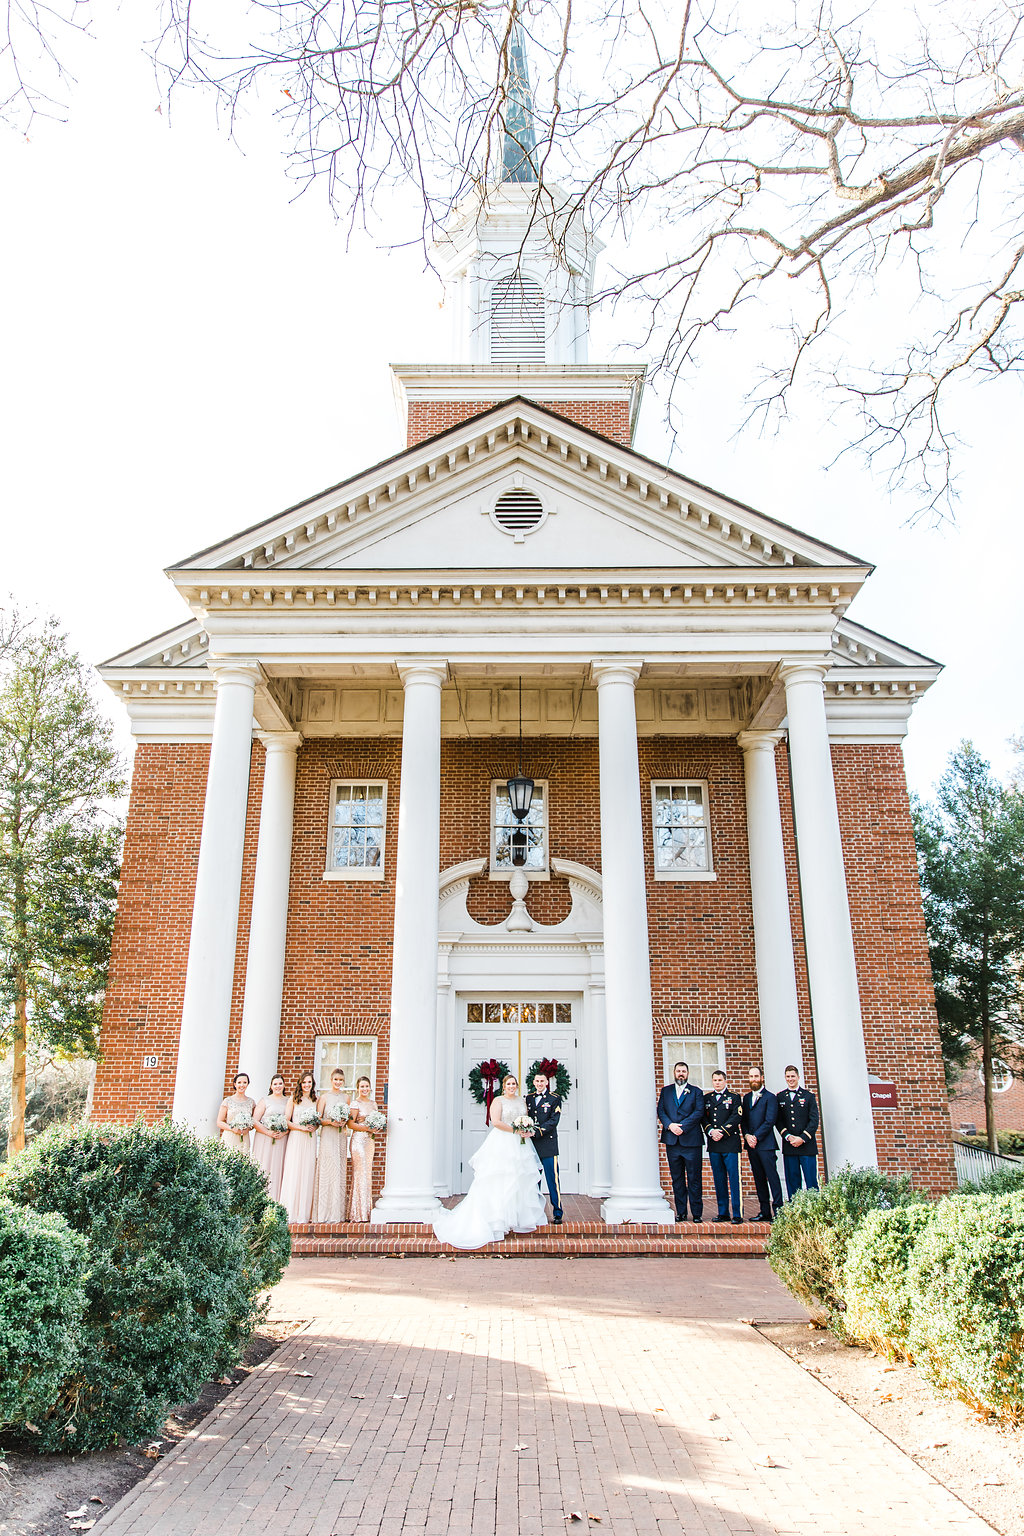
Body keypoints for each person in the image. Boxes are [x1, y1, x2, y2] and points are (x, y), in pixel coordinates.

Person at [433, 1074, 546, 1250]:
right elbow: (496, 1122)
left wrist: (526, 1129)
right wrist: (516, 1130)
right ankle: (497, 1221)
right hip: (503, 1142)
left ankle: (517, 1219)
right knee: (500, 1180)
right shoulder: (498, 1101)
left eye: (514, 1084)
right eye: (509, 1083)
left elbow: (526, 1118)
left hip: (521, 1144)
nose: (511, 1086)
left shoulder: (521, 1101)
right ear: (503, 1086)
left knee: (518, 1179)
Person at [657, 1061, 705, 1222]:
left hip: (691, 1141)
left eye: (683, 1071)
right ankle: (681, 1212)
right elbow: (661, 1110)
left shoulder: (696, 1092)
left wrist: (682, 1127)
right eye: (678, 1071)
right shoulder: (666, 1091)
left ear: (688, 1073)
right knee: (677, 1179)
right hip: (672, 1142)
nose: (681, 1074)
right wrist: (670, 1125)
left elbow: (699, 1112)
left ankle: (697, 1213)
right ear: (674, 1073)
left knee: (694, 1178)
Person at [740, 1066, 783, 1222]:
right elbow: (743, 1121)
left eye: (756, 1076)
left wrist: (756, 1136)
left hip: (766, 1145)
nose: (753, 1079)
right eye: (751, 1076)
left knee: (772, 1177)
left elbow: (769, 1120)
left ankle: (779, 1212)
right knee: (758, 1179)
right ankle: (764, 1211)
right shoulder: (746, 1098)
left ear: (761, 1078)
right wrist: (746, 1136)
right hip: (751, 1146)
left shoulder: (770, 1097)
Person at [703, 1069, 742, 1222]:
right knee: (719, 1179)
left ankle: (737, 1214)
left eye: (720, 1080)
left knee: (734, 1179)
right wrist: (711, 1131)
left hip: (730, 1143)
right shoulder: (707, 1099)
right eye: (715, 1080)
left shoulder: (734, 1097)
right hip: (714, 1144)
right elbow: (703, 1119)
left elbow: (736, 1116)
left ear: (725, 1081)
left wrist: (722, 1131)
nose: (717, 1083)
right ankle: (723, 1212)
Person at [280, 1071, 319, 1224]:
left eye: (309, 1082)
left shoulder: (315, 1100)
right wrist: (300, 1128)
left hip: (309, 1139)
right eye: (304, 1082)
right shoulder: (294, 1099)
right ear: (300, 1084)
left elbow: (317, 1122)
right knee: (294, 1171)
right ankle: (290, 1211)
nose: (307, 1085)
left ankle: (304, 1213)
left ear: (312, 1084)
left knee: (307, 1172)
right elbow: (286, 1121)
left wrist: (313, 1127)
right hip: (296, 1138)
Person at [776, 1065, 820, 1197]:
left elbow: (814, 1120)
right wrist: (788, 1136)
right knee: (792, 1181)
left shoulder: (809, 1096)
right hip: (790, 1146)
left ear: (798, 1077)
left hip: (807, 1145)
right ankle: (794, 1210)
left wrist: (802, 1138)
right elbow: (778, 1121)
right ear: (785, 1078)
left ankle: (814, 1211)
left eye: (793, 1076)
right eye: (788, 1077)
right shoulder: (780, 1097)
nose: (790, 1079)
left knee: (811, 1181)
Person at [526, 1072, 564, 1224]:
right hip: (532, 1146)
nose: (540, 1083)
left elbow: (554, 1120)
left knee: (552, 1180)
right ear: (534, 1082)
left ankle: (557, 1212)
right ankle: (535, 1212)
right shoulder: (528, 1098)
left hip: (548, 1145)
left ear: (547, 1082)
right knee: (534, 1180)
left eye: (542, 1081)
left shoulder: (554, 1098)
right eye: (537, 1081)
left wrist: (537, 1131)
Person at [314, 1067, 351, 1222]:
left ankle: (337, 1213)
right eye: (336, 1079)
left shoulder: (346, 1098)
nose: (338, 1082)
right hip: (328, 1135)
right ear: (331, 1080)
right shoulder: (324, 1098)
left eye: (341, 1080)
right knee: (327, 1169)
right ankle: (323, 1213)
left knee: (339, 1169)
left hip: (340, 1136)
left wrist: (343, 1122)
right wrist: (331, 1122)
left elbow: (349, 1118)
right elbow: (318, 1119)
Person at [347, 1075, 382, 1222]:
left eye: (366, 1086)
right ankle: (357, 1213)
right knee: (360, 1173)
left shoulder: (373, 1104)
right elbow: (350, 1124)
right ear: (357, 1088)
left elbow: (377, 1121)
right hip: (358, 1140)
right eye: (362, 1086)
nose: (364, 1089)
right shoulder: (355, 1103)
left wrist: (377, 1128)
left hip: (369, 1141)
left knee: (367, 1173)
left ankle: (366, 1211)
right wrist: (366, 1127)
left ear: (370, 1088)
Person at [251, 1072, 290, 1201]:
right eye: (275, 1084)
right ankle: (260, 1198)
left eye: (280, 1084)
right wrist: (268, 1132)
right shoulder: (265, 1100)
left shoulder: (288, 1101)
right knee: (264, 1166)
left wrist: (283, 1132)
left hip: (280, 1139)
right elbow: (255, 1121)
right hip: (265, 1138)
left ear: (284, 1085)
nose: (278, 1086)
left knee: (278, 1168)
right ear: (271, 1086)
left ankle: (275, 1199)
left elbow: (291, 1121)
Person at [217, 1073, 255, 1151]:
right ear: (235, 1084)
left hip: (244, 1138)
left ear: (248, 1084)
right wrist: (232, 1128)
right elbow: (219, 1122)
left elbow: (254, 1122)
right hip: (230, 1136)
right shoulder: (227, 1101)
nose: (242, 1085)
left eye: (245, 1082)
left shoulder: (251, 1102)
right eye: (239, 1082)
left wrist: (247, 1129)